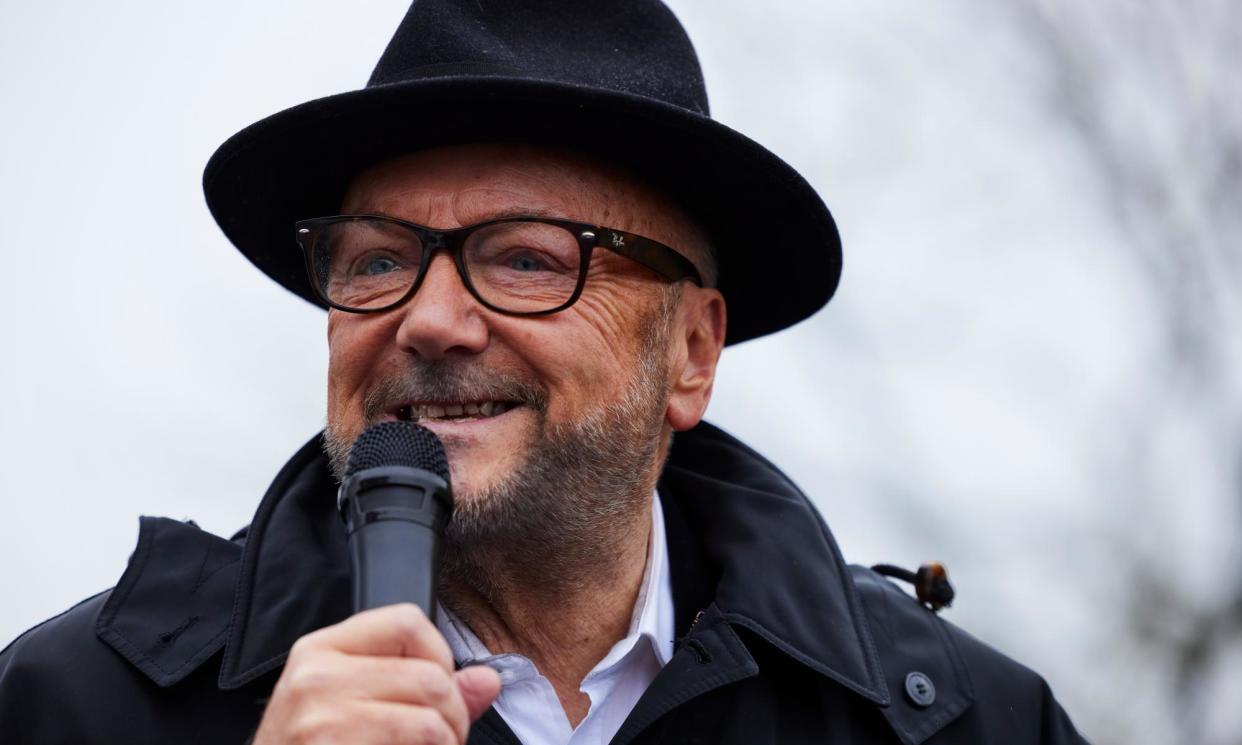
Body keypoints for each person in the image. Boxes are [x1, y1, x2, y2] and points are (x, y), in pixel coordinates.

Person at [0, 1, 1088, 743]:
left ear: (692, 353)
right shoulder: (77, 705)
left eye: (526, 258)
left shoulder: (953, 719)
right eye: (376, 259)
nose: (428, 321)